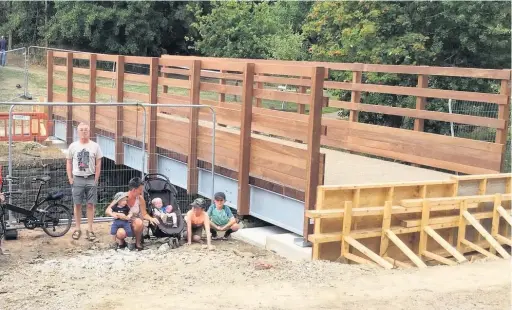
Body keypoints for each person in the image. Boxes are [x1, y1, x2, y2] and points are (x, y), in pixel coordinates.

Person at [66, 122, 103, 241]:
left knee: (90, 204)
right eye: (81, 130)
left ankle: (90, 228)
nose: (84, 132)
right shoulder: (73, 146)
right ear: (77, 132)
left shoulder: (95, 146)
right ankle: (77, 228)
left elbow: (98, 162)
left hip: (91, 178)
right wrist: (70, 178)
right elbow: (69, 161)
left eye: (86, 129)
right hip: (78, 179)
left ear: (89, 131)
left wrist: (96, 178)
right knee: (77, 204)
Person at [105, 177, 159, 251]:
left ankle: (137, 243)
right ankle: (122, 241)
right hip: (121, 222)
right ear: (134, 190)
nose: (141, 192)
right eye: (140, 190)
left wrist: (151, 218)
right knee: (121, 233)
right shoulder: (121, 197)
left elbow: (144, 214)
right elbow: (108, 210)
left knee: (139, 222)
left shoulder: (140, 199)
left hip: (133, 222)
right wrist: (115, 214)